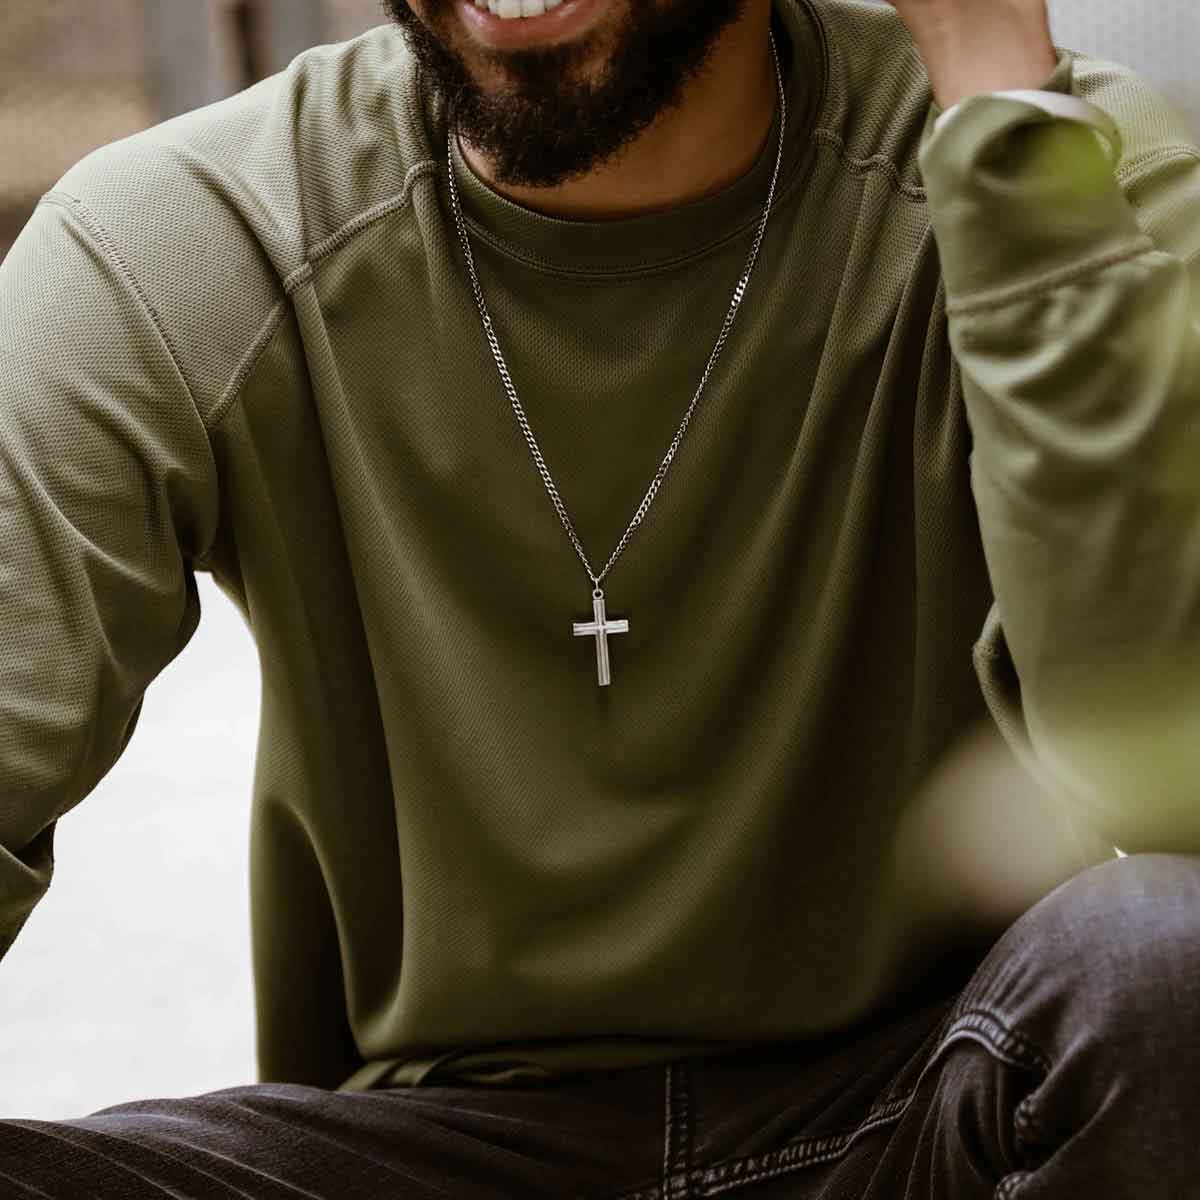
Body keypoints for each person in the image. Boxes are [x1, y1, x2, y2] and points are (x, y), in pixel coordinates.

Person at [1, 0, 1198, 1194]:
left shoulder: (1064, 169)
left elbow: (1171, 771)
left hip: (945, 1123)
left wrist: (996, 97)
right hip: (433, 1151)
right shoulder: (193, 244)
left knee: (1167, 966)